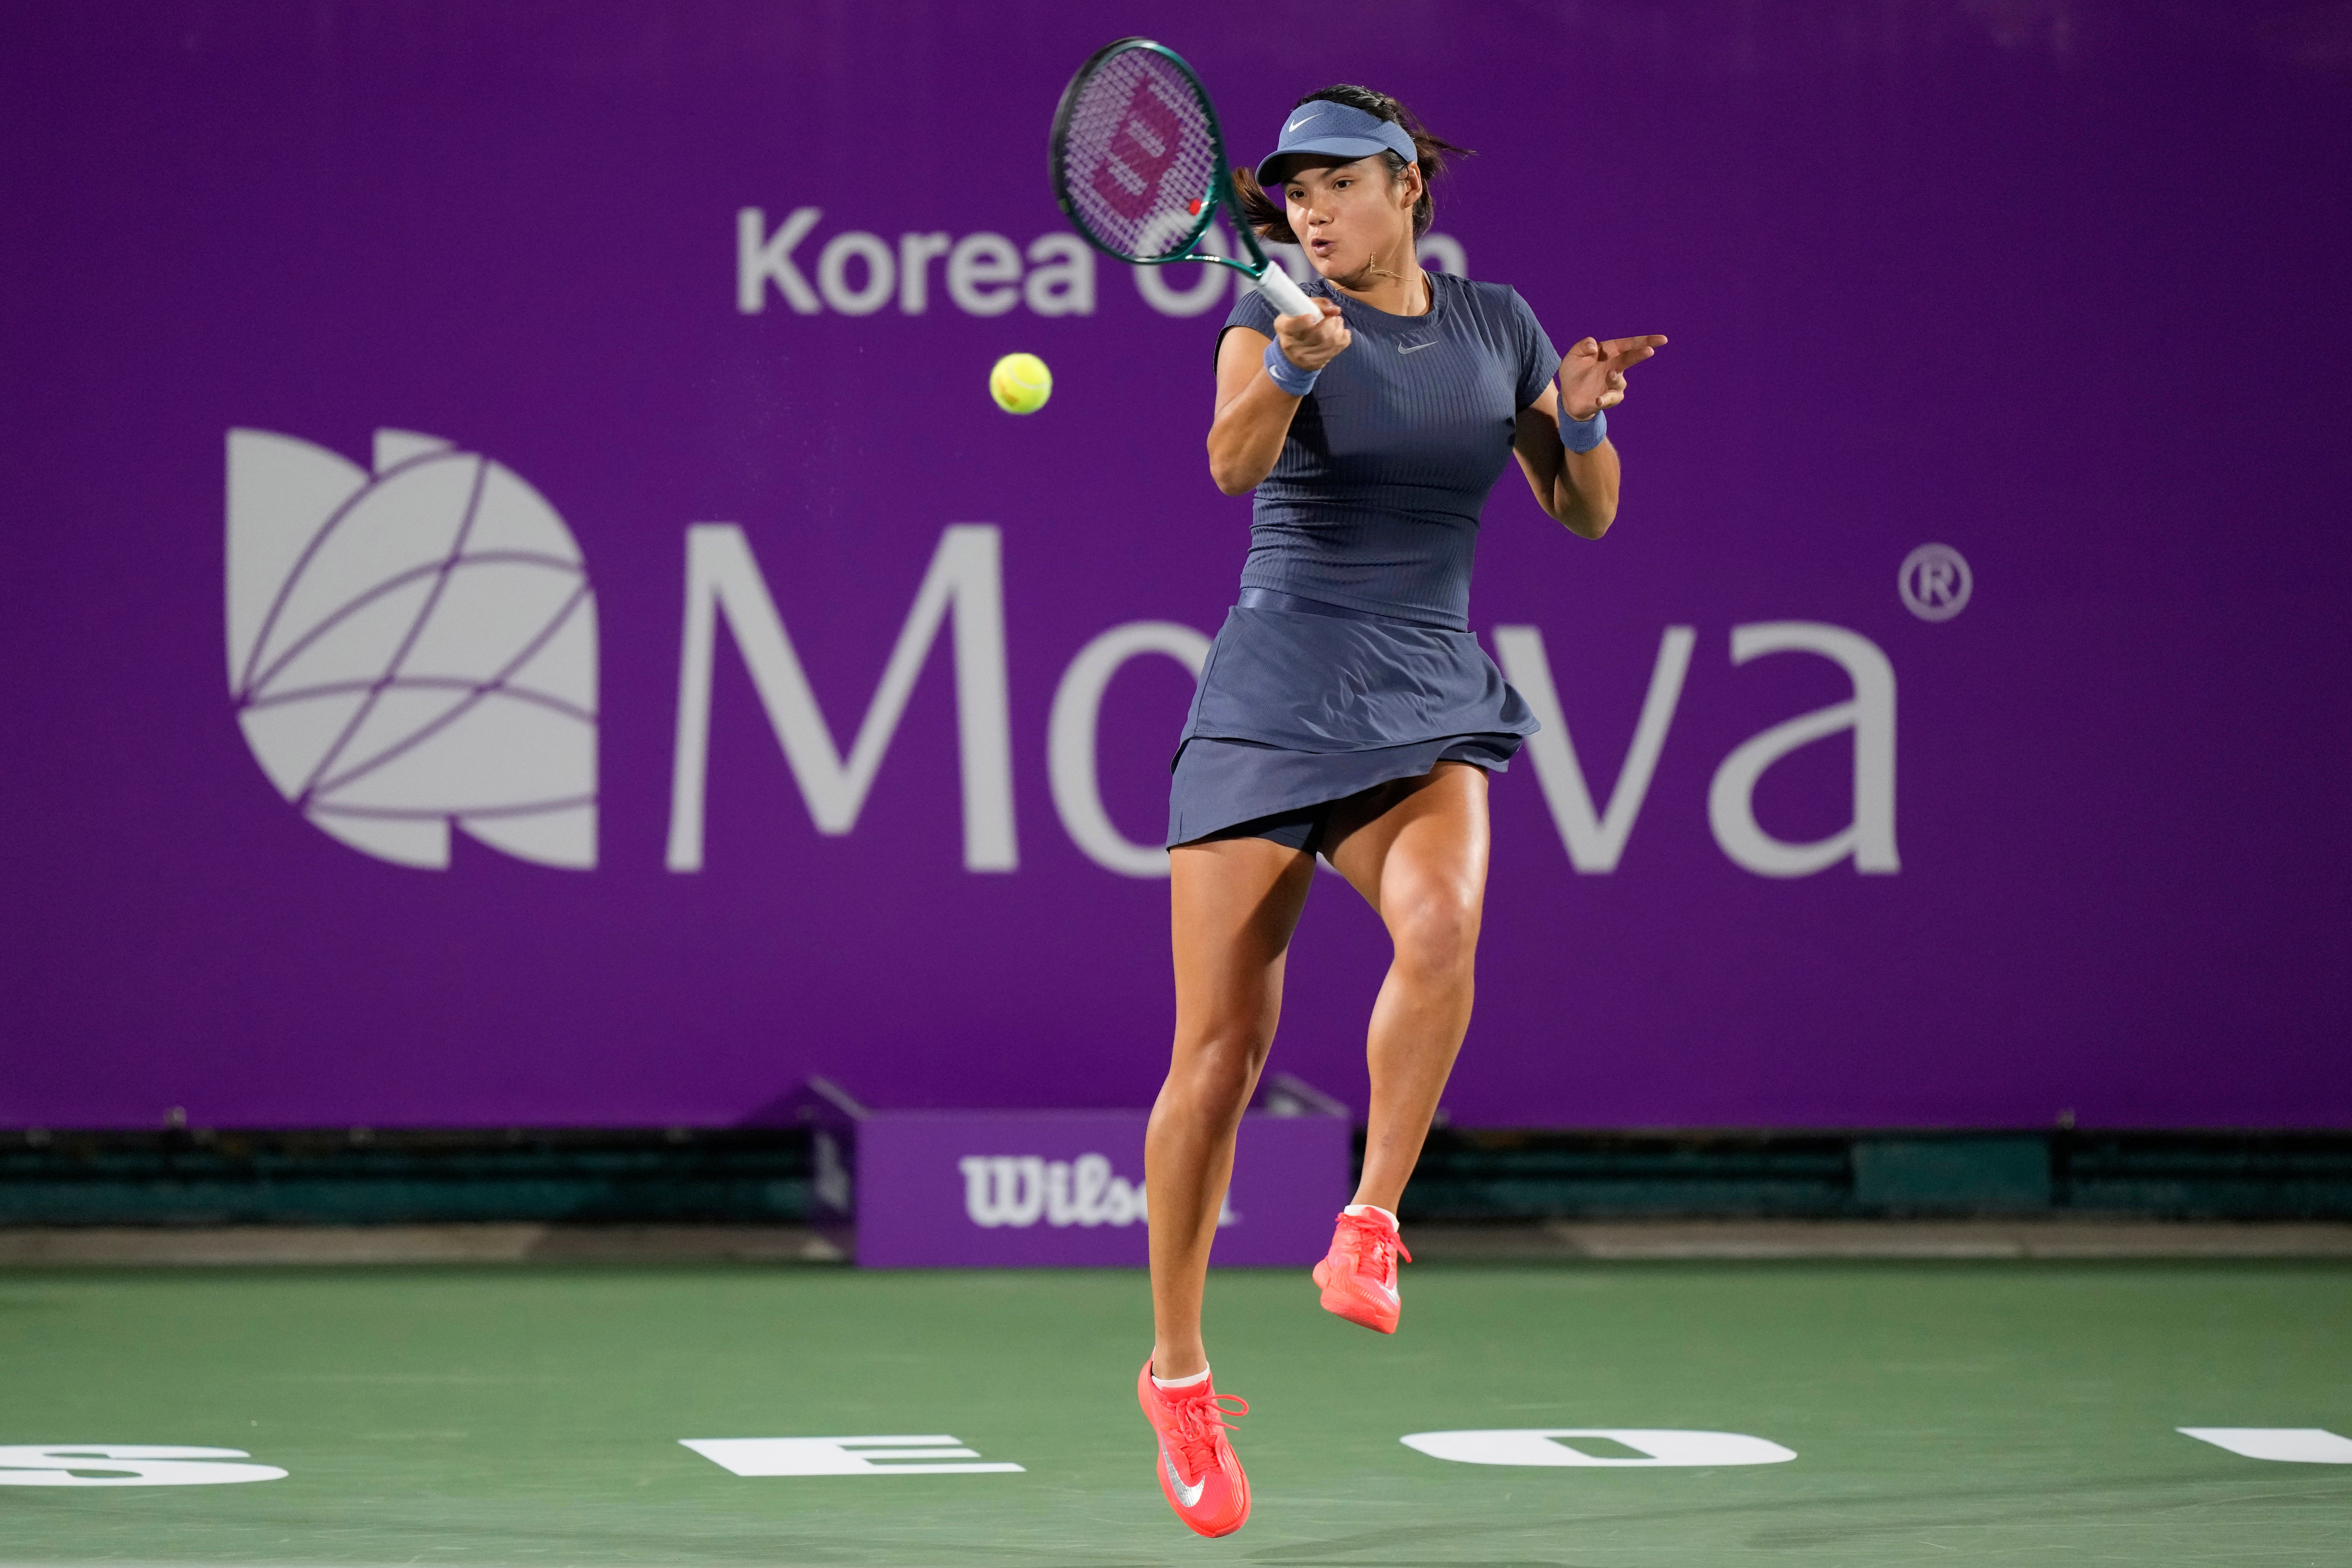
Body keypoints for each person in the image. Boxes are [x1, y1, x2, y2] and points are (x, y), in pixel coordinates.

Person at [1132, 85, 1667, 1537]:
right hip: (1268, 700)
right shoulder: (1270, 313)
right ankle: (1178, 1372)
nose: (1307, 210)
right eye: (1290, 193)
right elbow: (1231, 466)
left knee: (1445, 929)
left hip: (1427, 697)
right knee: (1221, 1058)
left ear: (1404, 187)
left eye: (1335, 184)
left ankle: (1370, 1219)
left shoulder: (1501, 327)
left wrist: (1579, 413)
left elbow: (1587, 512)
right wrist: (1297, 362)